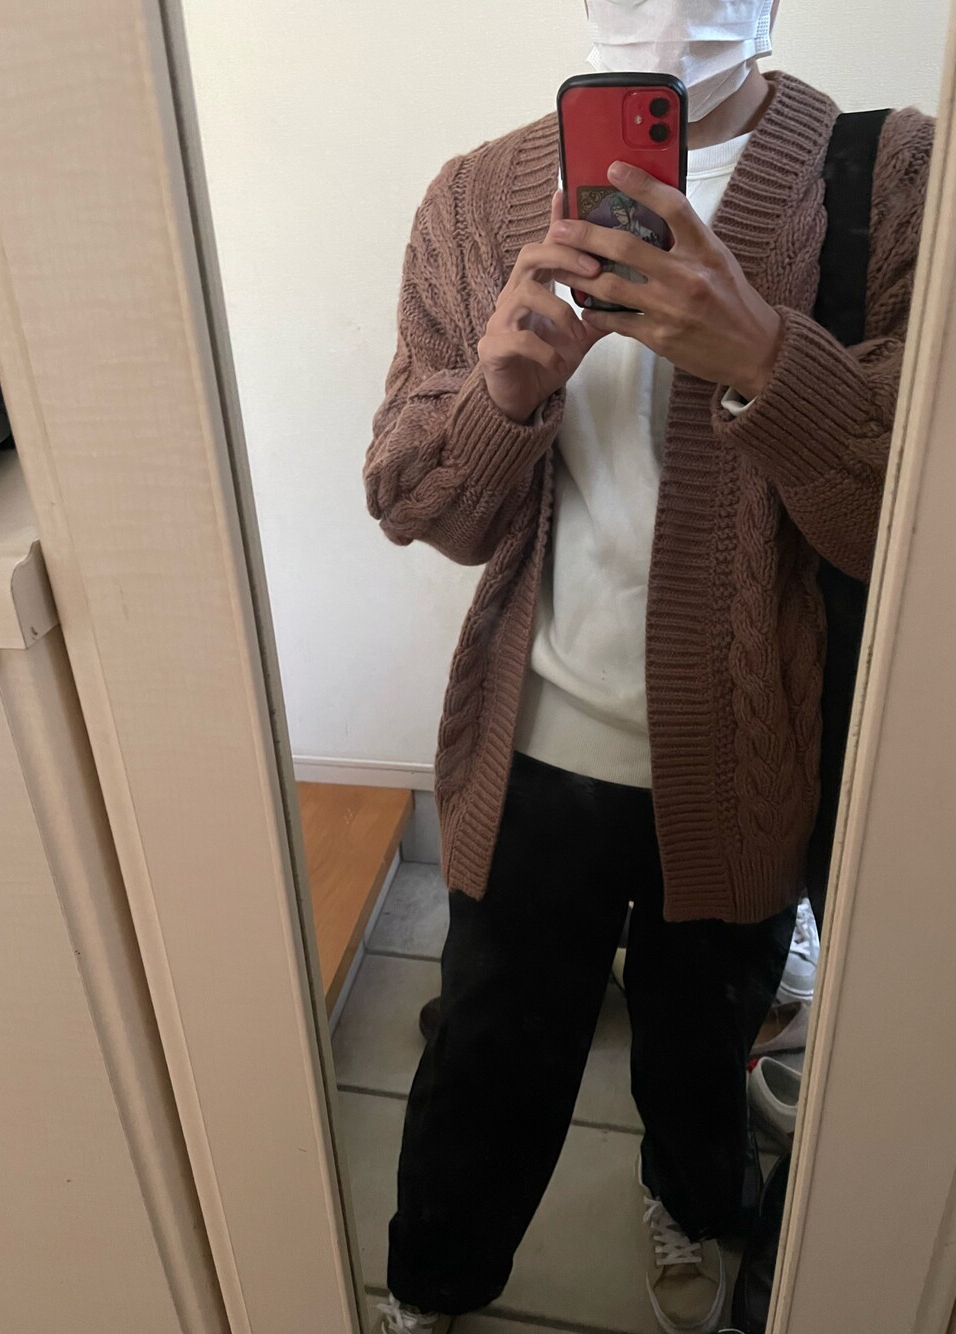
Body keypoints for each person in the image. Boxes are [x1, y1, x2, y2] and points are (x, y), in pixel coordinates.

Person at [364, 2, 933, 1331]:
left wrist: (766, 357)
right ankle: (435, 1283)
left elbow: (914, 532)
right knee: (489, 1059)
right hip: (534, 745)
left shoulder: (893, 175)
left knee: (700, 1049)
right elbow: (411, 497)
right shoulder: (474, 198)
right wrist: (500, 403)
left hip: (750, 753)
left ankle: (693, 1197)